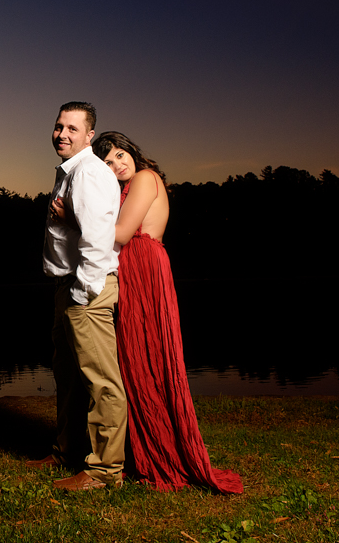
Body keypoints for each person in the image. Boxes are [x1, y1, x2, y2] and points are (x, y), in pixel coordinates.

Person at [78, 130, 243, 494]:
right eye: (107, 162)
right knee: (134, 359)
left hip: (144, 264)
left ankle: (164, 453)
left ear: (133, 153)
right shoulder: (127, 183)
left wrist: (75, 218)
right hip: (132, 267)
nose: (117, 164)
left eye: (121, 155)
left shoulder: (145, 178)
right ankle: (144, 451)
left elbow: (120, 233)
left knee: (149, 355)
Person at [28, 102, 127, 491]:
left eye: (72, 128)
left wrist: (84, 292)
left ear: (89, 136)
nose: (62, 134)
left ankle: (105, 472)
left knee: (102, 382)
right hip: (67, 288)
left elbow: (97, 241)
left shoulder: (89, 172)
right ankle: (67, 451)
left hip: (86, 288)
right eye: (58, 126)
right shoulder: (69, 172)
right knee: (68, 377)